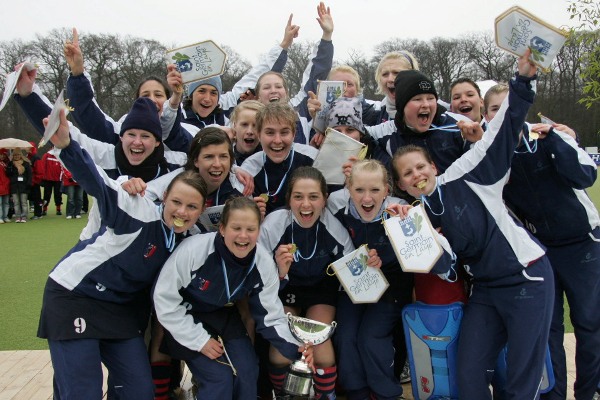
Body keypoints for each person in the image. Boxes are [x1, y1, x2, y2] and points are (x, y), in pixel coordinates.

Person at [391, 50, 554, 399]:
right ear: (402, 186)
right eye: (407, 174)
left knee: (522, 381)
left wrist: (522, 79)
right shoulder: (417, 219)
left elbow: (504, 129)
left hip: (527, 276)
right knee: (468, 375)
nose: (417, 175)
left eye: (421, 167)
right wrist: (419, 238)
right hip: (486, 290)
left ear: (433, 167)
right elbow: (448, 269)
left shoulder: (468, 173)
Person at [38, 104, 207, 400]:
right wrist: (66, 146)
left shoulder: (190, 240)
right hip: (77, 295)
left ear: (201, 210)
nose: (182, 212)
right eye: (177, 202)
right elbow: (98, 184)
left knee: (138, 392)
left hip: (123, 310)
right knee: (83, 392)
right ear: (164, 197)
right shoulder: (137, 209)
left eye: (192, 207)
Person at [484, 83, 600, 400]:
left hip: (582, 243)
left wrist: (559, 140)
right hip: (541, 250)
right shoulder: (488, 153)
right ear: (486, 115)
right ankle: (554, 395)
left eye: (512, 106)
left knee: (589, 323)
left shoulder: (548, 137)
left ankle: (588, 391)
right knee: (549, 331)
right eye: (496, 109)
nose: (505, 114)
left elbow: (586, 176)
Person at [153, 196, 313, 400]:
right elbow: (164, 299)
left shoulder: (262, 262)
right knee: (220, 377)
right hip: (184, 317)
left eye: (251, 229)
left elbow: (270, 316)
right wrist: (199, 340)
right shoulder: (194, 250)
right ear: (222, 229)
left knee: (248, 372)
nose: (243, 236)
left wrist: (297, 348)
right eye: (236, 228)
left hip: (223, 316)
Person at [259, 167, 377, 399]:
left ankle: (326, 395)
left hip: (320, 289)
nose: (306, 204)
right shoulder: (274, 225)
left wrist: (371, 264)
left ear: (324, 199)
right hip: (284, 288)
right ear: (289, 199)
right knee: (282, 349)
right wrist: (279, 272)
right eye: (298, 197)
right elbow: (257, 276)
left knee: (320, 341)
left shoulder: (332, 227)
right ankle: (283, 394)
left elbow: (354, 270)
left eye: (313, 197)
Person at [327, 159, 420, 400]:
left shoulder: (399, 209)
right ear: (348, 187)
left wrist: (386, 255)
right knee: (346, 335)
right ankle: (357, 391)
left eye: (375, 190)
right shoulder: (335, 203)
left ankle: (385, 392)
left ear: (387, 190)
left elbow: (418, 244)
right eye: (359, 190)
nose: (367, 198)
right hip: (354, 281)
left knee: (371, 336)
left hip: (391, 283)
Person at [253, 2, 334, 144]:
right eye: (266, 87)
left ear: (287, 92)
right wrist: (284, 44)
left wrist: (327, 35)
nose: (273, 91)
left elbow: (317, 74)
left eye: (278, 87)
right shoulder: (248, 120)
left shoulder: (300, 110)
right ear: (258, 96)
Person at [239, 102, 319, 215]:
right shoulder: (249, 169)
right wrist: (253, 216)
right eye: (270, 133)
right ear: (258, 134)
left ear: (294, 134)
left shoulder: (313, 158)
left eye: (284, 132)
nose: (277, 140)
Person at [230, 100, 265, 165]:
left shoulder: (269, 158)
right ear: (234, 126)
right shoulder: (223, 155)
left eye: (255, 126)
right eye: (244, 125)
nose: (249, 131)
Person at [6, 148, 32, 223]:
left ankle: (24, 216)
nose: (16, 156)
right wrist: (10, 166)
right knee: (16, 203)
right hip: (14, 186)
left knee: (23, 202)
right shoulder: (10, 164)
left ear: (21, 155)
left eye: (18, 154)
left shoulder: (26, 163)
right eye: (15, 155)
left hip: (24, 186)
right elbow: (8, 174)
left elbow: (29, 175)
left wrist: (28, 184)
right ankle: (18, 216)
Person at [41, 147, 63, 216]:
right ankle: (44, 209)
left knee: (58, 195)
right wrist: (43, 177)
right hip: (48, 179)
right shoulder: (46, 155)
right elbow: (43, 166)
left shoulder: (60, 156)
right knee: (47, 195)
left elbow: (63, 167)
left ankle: (58, 209)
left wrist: (61, 177)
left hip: (58, 180)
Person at [27, 141, 45, 219]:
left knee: (36, 198)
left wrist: (35, 180)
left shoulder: (36, 158)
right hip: (30, 181)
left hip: (35, 182)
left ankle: (38, 214)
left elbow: (39, 171)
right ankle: (42, 202)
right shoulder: (28, 157)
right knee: (32, 197)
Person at [0, 149, 10, 223]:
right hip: (1, 185)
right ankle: (0, 217)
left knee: (6, 203)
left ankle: (5, 216)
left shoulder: (7, 163)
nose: (2, 156)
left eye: (3, 154)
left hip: (6, 185)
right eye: (1, 154)